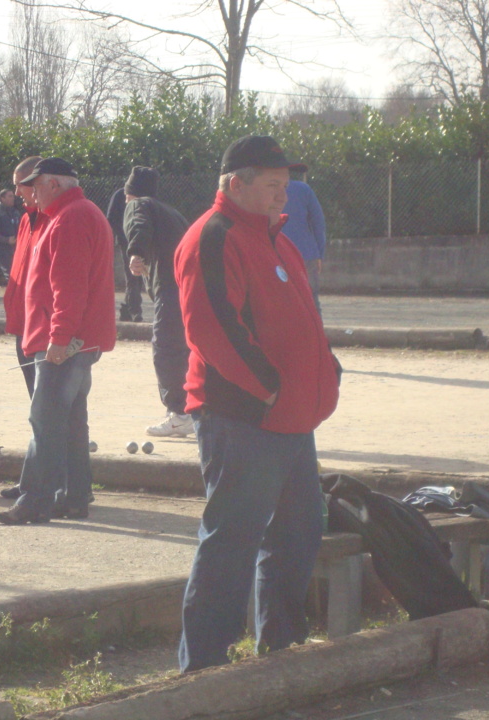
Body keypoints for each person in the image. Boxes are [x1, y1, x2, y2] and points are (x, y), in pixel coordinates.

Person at [174, 135, 341, 673]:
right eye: (272, 186)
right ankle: (202, 667)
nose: (281, 196)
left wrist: (324, 375)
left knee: (297, 533)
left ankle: (281, 652)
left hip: (291, 419)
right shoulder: (214, 236)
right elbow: (213, 328)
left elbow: (304, 319)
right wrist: (269, 389)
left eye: (285, 186)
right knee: (232, 540)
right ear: (235, 183)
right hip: (243, 416)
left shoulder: (277, 238)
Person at [0, 158, 115, 524]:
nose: (26, 192)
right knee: (72, 422)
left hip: (65, 341)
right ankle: (73, 497)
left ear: (53, 185)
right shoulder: (78, 213)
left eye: (33, 184)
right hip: (79, 340)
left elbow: (68, 289)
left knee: (44, 421)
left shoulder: (68, 219)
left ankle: (35, 501)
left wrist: (58, 339)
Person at [122, 166, 192, 438]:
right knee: (188, 349)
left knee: (166, 348)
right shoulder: (172, 212)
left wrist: (135, 253)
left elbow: (137, 224)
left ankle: (179, 413)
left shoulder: (137, 204)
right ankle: (197, 409)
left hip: (170, 286)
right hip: (189, 286)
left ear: (129, 193)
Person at [0, 157, 44, 502]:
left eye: (21, 184)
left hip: (42, 329)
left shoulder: (51, 219)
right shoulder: (26, 220)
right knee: (38, 409)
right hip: (24, 325)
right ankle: (43, 479)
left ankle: (42, 483)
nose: (15, 192)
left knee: (47, 413)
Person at [282, 178, 327, 313]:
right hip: (306, 253)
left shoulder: (262, 189)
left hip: (276, 254)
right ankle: (316, 333)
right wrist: (319, 253)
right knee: (311, 300)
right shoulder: (303, 189)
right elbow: (318, 222)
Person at [107, 186, 144, 322]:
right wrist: (122, 234)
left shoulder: (142, 195)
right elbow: (111, 218)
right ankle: (134, 311)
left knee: (137, 277)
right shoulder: (120, 195)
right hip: (125, 242)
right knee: (132, 277)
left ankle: (128, 309)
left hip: (139, 240)